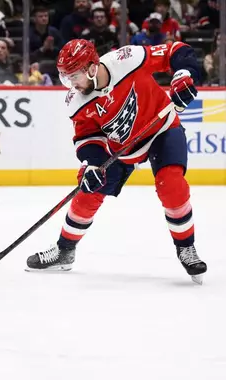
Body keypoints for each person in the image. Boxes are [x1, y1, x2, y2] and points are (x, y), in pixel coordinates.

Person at [26, 39, 207, 284]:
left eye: (74, 77)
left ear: (91, 68)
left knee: (171, 183)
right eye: (65, 78)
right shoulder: (76, 100)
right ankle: (65, 251)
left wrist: (183, 74)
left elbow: (175, 51)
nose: (71, 85)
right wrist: (92, 162)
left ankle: (186, 248)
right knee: (88, 190)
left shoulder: (128, 59)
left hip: (161, 129)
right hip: (121, 148)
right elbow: (87, 137)